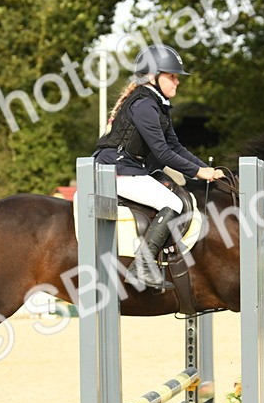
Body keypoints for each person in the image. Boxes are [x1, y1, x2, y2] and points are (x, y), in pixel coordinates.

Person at [94, 44, 220, 292]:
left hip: (128, 168)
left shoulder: (157, 104)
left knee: (174, 194)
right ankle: (141, 265)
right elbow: (163, 153)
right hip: (116, 169)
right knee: (173, 203)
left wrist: (207, 171)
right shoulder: (144, 105)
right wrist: (197, 172)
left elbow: (175, 146)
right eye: (171, 76)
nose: (177, 82)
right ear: (153, 76)